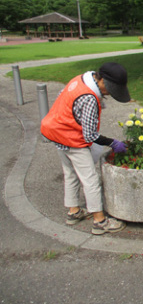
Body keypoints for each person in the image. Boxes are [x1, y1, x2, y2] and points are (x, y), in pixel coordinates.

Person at [41, 62, 131, 234]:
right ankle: (99, 221)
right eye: (110, 89)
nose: (110, 94)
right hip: (70, 138)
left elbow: (64, 99)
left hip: (55, 131)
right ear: (102, 80)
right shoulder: (90, 98)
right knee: (91, 179)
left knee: (70, 173)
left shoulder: (81, 79)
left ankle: (73, 212)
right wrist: (112, 143)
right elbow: (90, 135)